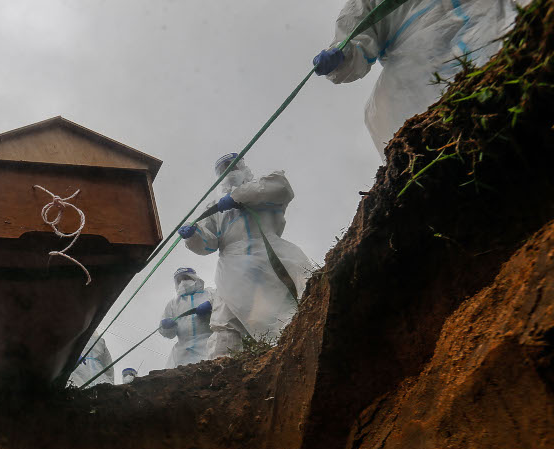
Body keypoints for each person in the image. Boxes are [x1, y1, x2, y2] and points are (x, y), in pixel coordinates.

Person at [312, 0, 522, 157]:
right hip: (419, 60)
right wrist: (341, 55)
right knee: (385, 111)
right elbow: (356, 36)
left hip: (489, 21)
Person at [178, 155, 311, 357]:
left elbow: (282, 188)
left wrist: (239, 196)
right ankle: (221, 368)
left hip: (266, 252)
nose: (228, 173)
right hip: (231, 266)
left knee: (296, 287)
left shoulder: (259, 188)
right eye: (223, 170)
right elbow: (208, 244)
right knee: (223, 322)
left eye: (232, 167)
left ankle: (304, 334)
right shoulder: (215, 208)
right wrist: (194, 234)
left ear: (244, 168)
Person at [158, 267, 216, 368]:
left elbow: (225, 305)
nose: (183, 282)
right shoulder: (173, 304)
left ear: (194, 278)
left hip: (209, 344)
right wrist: (166, 327)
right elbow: (167, 333)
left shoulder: (210, 293)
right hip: (183, 352)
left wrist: (211, 305)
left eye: (186, 278)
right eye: (179, 280)